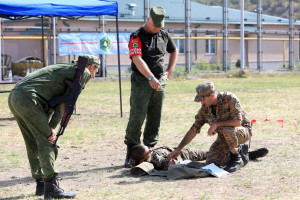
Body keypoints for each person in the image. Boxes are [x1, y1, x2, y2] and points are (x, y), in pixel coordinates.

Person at [8, 55, 100, 199]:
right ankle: (50, 187)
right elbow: (66, 103)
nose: (93, 76)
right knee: (48, 141)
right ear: (91, 67)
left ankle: (41, 184)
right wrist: (52, 127)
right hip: (29, 99)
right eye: (96, 71)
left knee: (32, 141)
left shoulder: (67, 69)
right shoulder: (83, 73)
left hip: (15, 96)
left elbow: (53, 98)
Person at [168, 81, 268, 173]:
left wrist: (216, 125)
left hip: (242, 131)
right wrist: (179, 148)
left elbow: (238, 122)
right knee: (212, 162)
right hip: (225, 137)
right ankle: (247, 155)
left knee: (227, 129)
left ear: (212, 95)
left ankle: (236, 158)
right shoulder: (205, 109)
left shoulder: (229, 98)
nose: (201, 102)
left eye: (203, 99)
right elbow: (194, 129)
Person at [124, 6, 178, 168]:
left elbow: (174, 51)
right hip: (142, 81)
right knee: (137, 116)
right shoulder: (136, 36)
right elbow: (137, 59)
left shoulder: (163, 34)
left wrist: (169, 71)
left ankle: (149, 150)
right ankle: (132, 152)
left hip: (159, 81)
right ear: (148, 20)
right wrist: (150, 77)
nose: (158, 28)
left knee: (155, 116)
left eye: (160, 25)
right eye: (155, 25)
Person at [131, 144, 268, 171]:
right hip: (188, 155)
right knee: (217, 157)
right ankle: (249, 155)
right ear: (143, 159)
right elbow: (164, 163)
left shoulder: (140, 156)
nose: (151, 151)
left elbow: (134, 160)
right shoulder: (154, 160)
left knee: (215, 152)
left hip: (184, 151)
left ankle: (246, 154)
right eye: (149, 152)